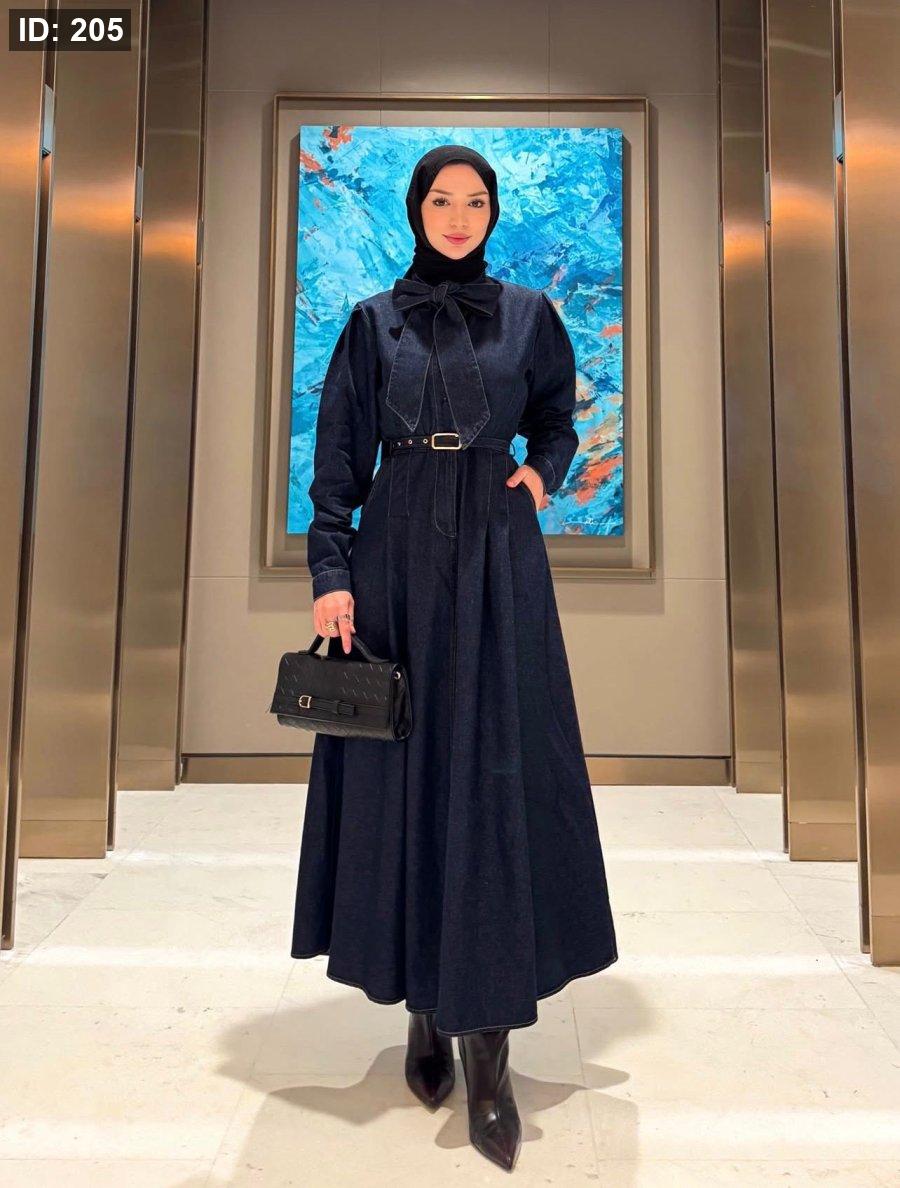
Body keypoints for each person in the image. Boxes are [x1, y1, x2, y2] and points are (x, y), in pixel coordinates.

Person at [292, 143, 618, 1172]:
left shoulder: (528, 315)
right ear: (415, 208)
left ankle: (489, 1053)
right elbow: (337, 457)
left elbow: (558, 419)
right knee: (406, 783)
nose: (460, 216)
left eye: (477, 202)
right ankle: (422, 1007)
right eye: (443, 200)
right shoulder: (369, 323)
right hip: (393, 558)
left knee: (492, 780)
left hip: (495, 558)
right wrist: (331, 570)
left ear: (493, 212)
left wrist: (539, 477)